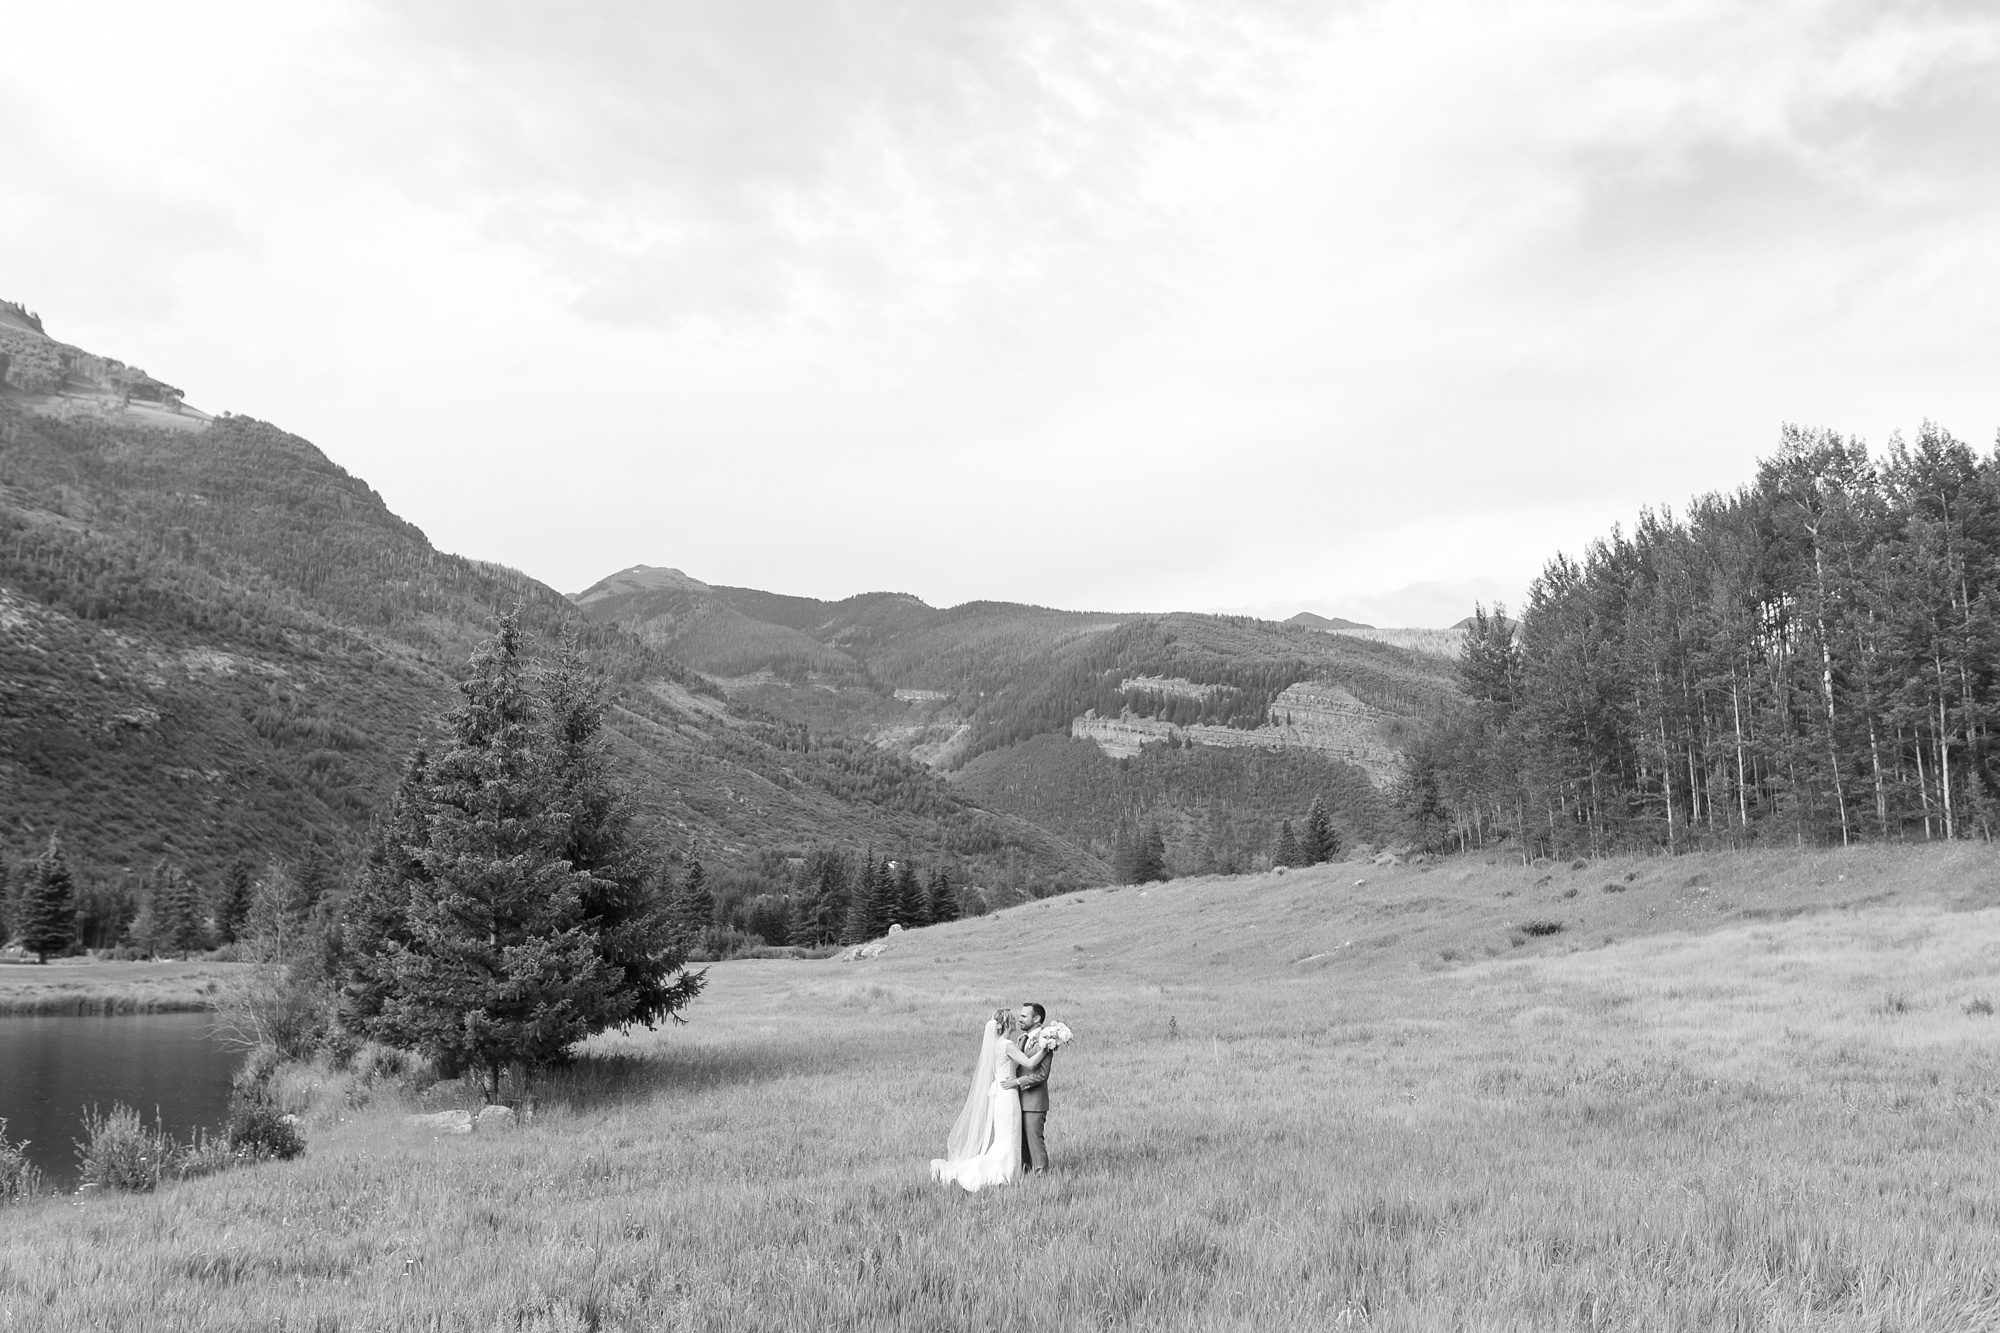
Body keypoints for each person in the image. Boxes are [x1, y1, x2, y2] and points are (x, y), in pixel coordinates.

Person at [929, 1007, 1049, 1192]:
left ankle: (1014, 1169)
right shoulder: (1007, 1044)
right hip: (1008, 1095)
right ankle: (1006, 1171)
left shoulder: (995, 1044)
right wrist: (1048, 1046)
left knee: (1004, 1136)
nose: (1017, 1020)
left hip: (999, 1094)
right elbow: (1030, 1063)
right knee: (1009, 1136)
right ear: (1008, 1023)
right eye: (1014, 1019)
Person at [1001, 1001, 1054, 1174]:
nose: (1019, 1019)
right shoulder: (1022, 1038)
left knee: (1034, 1141)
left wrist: (1017, 1082)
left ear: (1037, 1018)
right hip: (1016, 1101)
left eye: (1024, 1016)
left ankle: (1042, 1177)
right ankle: (1025, 1174)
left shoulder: (1046, 1042)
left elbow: (1041, 1075)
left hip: (1034, 1102)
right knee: (1020, 1143)